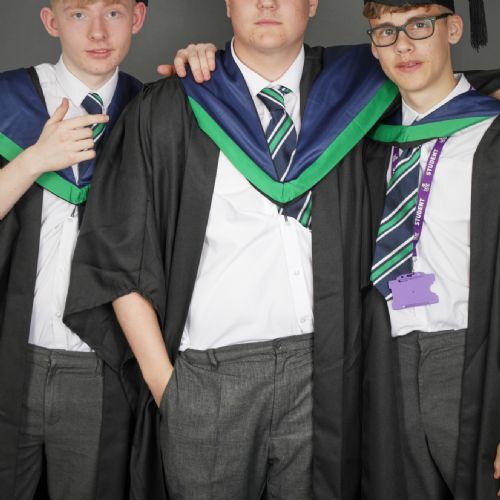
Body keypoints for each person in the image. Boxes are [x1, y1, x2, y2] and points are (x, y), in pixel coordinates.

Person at [63, 0, 412, 498]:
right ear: (227, 3)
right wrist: (170, 390)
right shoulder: (172, 104)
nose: (267, 3)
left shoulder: (362, 89)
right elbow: (119, 255)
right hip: (208, 380)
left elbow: (444, 91)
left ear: (313, 3)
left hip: (326, 375)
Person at [0, 1, 147, 498]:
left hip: (102, 366)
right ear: (51, 21)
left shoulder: (152, 111)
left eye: (114, 13)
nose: (98, 32)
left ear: (138, 18)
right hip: (11, 356)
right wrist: (35, 159)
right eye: (79, 13)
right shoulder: (7, 100)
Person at [361, 1, 500, 498]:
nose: (403, 45)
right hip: (386, 362)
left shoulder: (492, 132)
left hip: (474, 358)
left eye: (420, 25)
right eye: (385, 31)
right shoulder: (364, 141)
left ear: (454, 28)